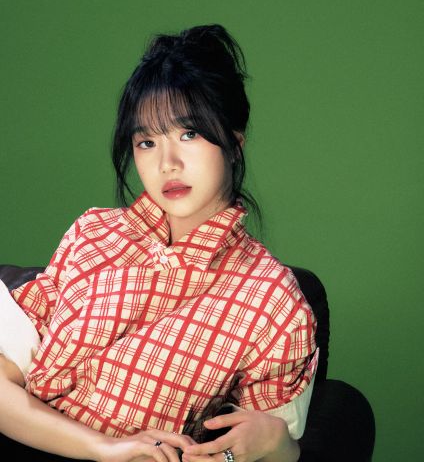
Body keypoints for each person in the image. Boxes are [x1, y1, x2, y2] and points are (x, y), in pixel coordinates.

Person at [0, 24, 318, 462]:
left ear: (234, 143)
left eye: (189, 134)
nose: (168, 163)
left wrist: (279, 445)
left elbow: (269, 448)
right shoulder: (94, 233)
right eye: (147, 142)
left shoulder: (272, 300)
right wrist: (104, 448)